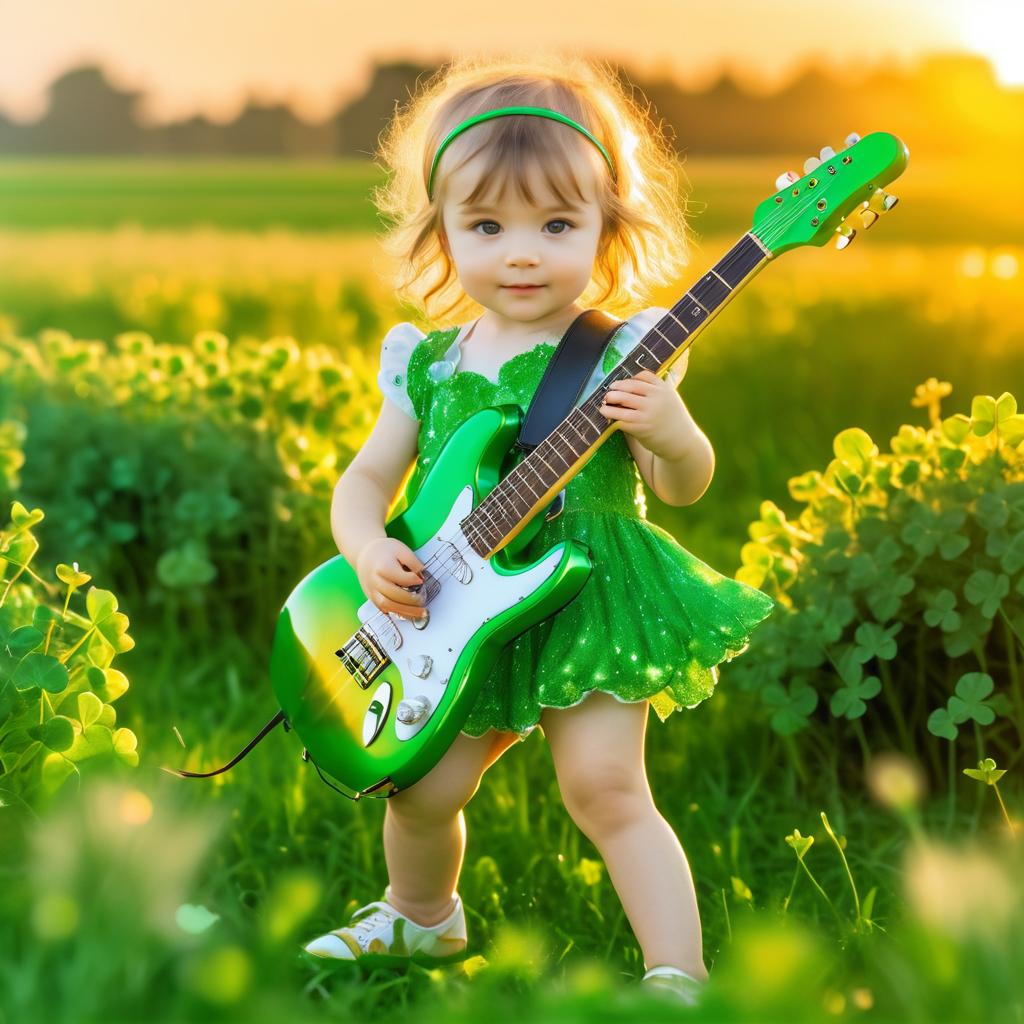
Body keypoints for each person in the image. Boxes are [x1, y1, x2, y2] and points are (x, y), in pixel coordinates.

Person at [302, 52, 777, 1005]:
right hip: (452, 605)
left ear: (608, 226)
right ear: (441, 232)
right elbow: (363, 481)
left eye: (557, 225)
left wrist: (672, 433)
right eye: (487, 226)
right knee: (423, 790)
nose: (522, 253)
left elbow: (681, 486)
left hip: (586, 589)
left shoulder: (626, 349)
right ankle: (422, 916)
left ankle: (677, 975)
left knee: (604, 787)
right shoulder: (427, 364)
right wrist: (367, 547)